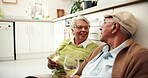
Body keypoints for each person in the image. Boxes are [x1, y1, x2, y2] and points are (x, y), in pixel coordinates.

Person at [65, 11, 148, 78]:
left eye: (104, 22)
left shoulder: (140, 56)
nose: (100, 27)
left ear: (115, 27)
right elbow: (78, 73)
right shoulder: (98, 50)